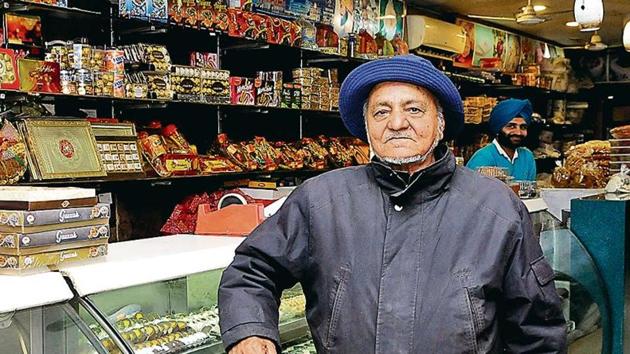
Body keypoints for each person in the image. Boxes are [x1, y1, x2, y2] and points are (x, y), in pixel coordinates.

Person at [218, 55, 566, 354]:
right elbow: (253, 268)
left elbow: (536, 330)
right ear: (367, 126)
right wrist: (250, 330)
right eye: (381, 111)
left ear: (440, 123)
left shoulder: (495, 208)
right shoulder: (321, 200)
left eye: (413, 109)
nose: (397, 123)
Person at [466, 98, 537, 181]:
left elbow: (531, 191)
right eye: (511, 126)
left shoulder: (527, 157)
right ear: (498, 129)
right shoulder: (483, 157)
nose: (518, 132)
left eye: (523, 127)